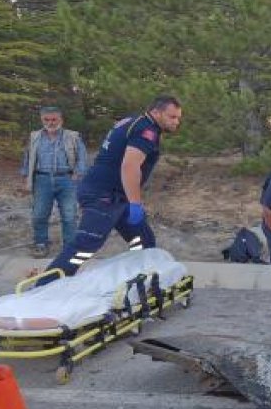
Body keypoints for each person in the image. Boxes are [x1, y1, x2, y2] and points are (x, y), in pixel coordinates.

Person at [42, 96, 181, 280]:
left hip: (117, 196)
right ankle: (46, 285)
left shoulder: (134, 121)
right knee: (85, 245)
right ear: (156, 112)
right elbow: (130, 167)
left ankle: (142, 280)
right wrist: (135, 203)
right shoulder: (146, 130)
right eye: (172, 117)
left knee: (143, 241)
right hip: (104, 195)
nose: (176, 122)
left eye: (178, 118)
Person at [20, 106, 88, 257]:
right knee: (39, 214)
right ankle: (41, 243)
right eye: (46, 119)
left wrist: (78, 173)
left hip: (66, 180)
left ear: (61, 120)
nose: (50, 123)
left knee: (69, 215)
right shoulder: (34, 136)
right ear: (42, 120)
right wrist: (25, 176)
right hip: (42, 179)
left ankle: (69, 247)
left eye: (54, 119)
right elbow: (28, 157)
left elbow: (82, 157)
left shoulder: (73, 136)